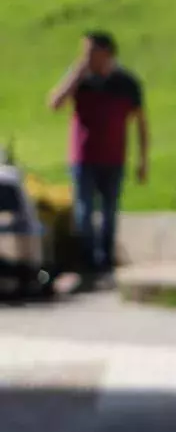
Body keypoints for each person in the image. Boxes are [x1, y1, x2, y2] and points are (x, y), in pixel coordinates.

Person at [46, 31, 147, 286]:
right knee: (84, 211)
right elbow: (55, 103)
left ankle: (105, 261)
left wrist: (143, 160)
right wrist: (76, 72)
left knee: (109, 211)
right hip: (83, 158)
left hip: (114, 157)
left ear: (107, 54)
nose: (86, 58)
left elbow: (141, 123)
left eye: (90, 52)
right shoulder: (81, 80)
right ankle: (87, 261)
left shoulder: (127, 83)